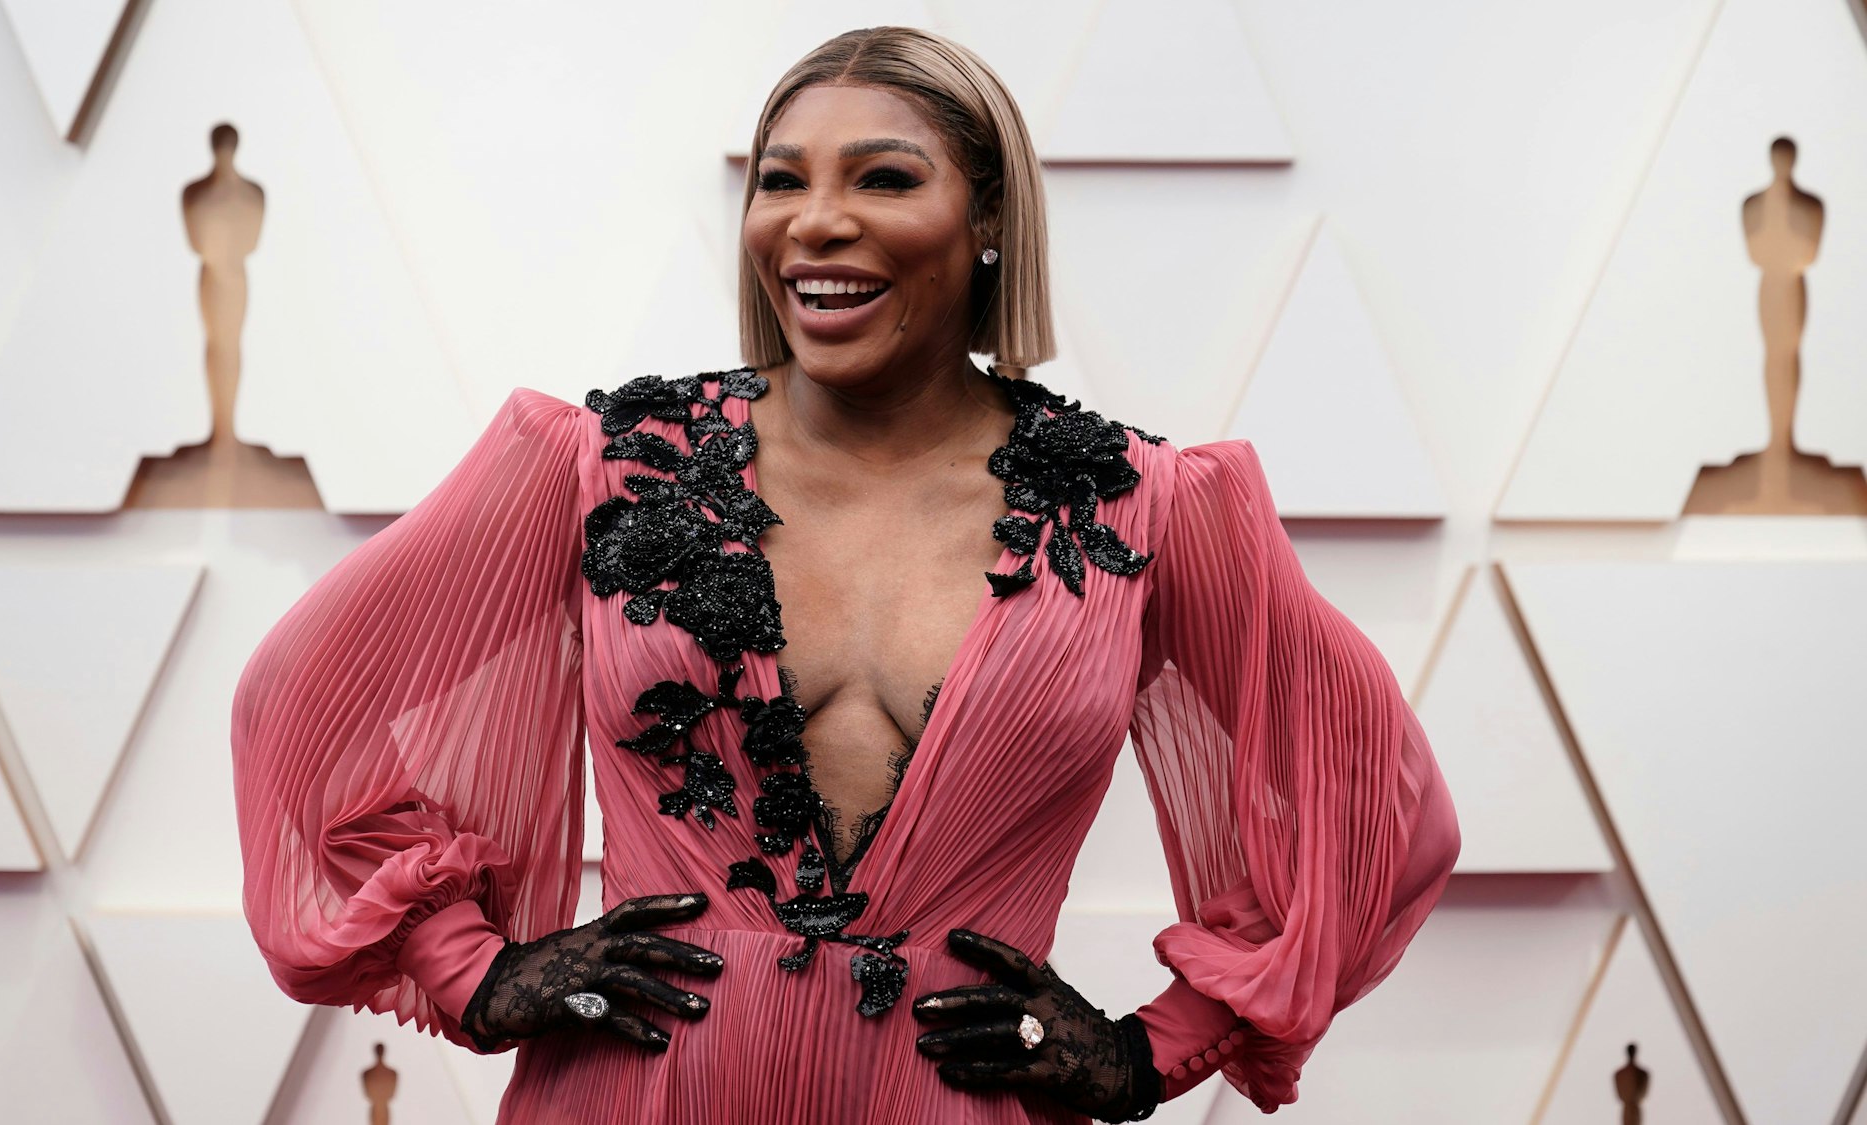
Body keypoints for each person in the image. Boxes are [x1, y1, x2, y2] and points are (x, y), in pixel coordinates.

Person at [230, 25, 1459, 1123]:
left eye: (881, 177)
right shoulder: (604, 467)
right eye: (780, 181)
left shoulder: (1141, 504)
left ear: (988, 222)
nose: (814, 221)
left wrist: (1143, 1056)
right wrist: (476, 970)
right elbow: (301, 706)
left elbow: (1378, 809)